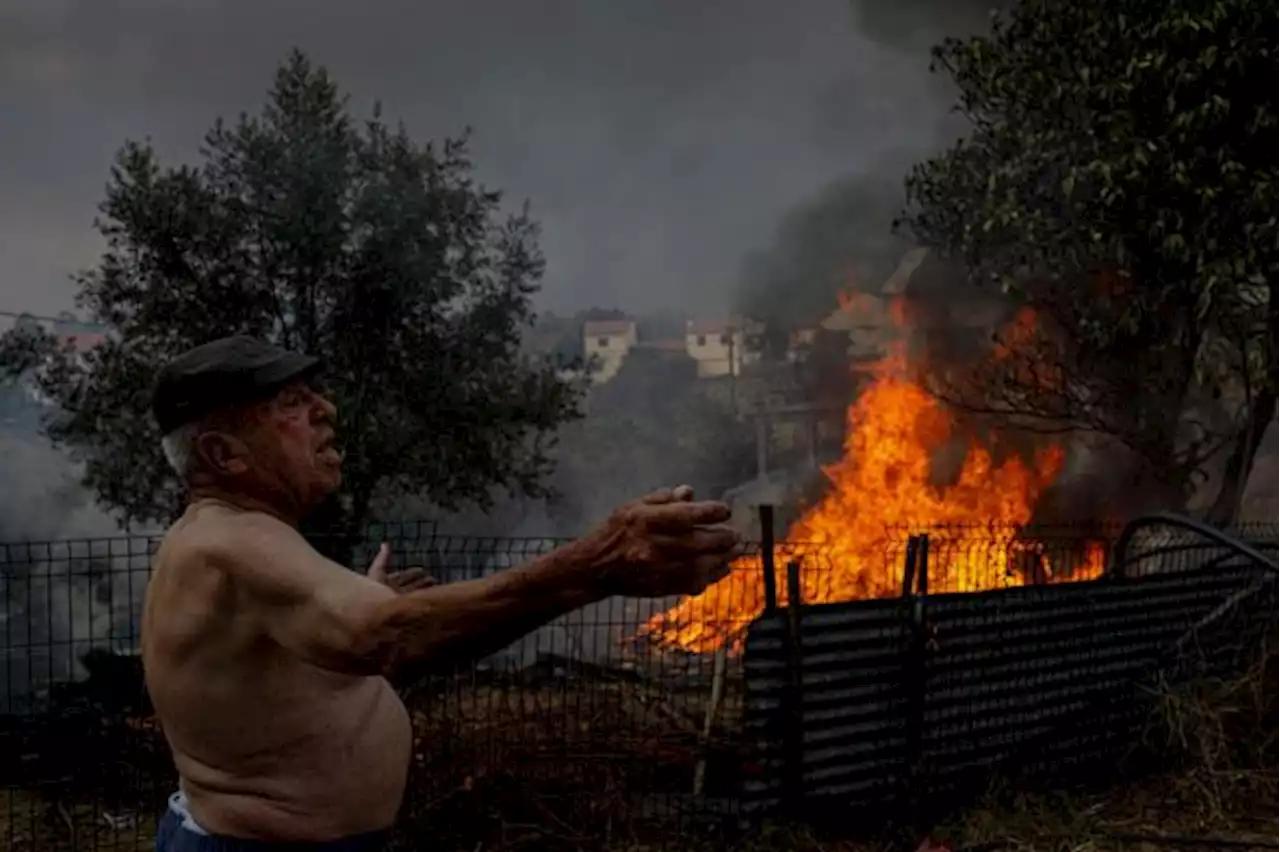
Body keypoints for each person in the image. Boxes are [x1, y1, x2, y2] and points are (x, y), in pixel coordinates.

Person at [140, 335, 741, 851]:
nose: (327, 410)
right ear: (224, 454)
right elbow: (392, 637)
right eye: (292, 404)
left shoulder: (236, 541)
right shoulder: (233, 543)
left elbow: (305, 669)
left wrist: (364, 612)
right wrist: (598, 563)